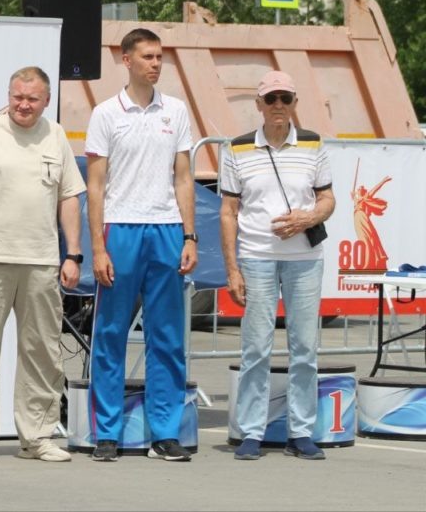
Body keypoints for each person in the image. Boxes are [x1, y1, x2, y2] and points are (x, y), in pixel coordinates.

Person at [0, 66, 85, 465]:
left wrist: (73, 254)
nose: (23, 105)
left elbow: (70, 198)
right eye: (17, 96)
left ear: (46, 101)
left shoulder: (56, 135)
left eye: (32, 99)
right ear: (8, 95)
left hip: (41, 261)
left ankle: (38, 436)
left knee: (42, 351)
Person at [85, 28, 198, 463]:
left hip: (166, 229)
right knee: (111, 335)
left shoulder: (176, 110)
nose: (155, 64)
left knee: (166, 337)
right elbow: (95, 187)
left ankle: (165, 433)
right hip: (121, 228)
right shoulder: (106, 114)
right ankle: (107, 433)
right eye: (147, 57)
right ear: (125, 59)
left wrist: (189, 236)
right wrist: (98, 246)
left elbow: (183, 176)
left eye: (159, 57)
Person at [219, 70, 335, 461]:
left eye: (286, 98)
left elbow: (328, 199)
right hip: (256, 258)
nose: (279, 106)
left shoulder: (313, 143)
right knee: (256, 347)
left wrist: (307, 219)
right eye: (272, 99)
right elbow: (228, 212)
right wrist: (232, 269)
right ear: (259, 105)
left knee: (305, 348)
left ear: (295, 103)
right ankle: (250, 431)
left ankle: (301, 432)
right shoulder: (236, 148)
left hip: (305, 259)